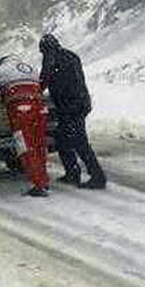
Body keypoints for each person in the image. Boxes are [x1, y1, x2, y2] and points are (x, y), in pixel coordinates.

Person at [38, 34, 106, 189]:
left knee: (78, 142)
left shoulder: (51, 58)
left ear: (45, 49)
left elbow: (43, 81)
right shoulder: (71, 56)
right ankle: (73, 173)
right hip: (80, 103)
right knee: (63, 139)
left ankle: (97, 176)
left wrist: (35, 91)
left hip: (69, 107)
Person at [0, 54, 50, 197]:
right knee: (39, 145)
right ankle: (44, 179)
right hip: (40, 108)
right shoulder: (30, 67)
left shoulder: (1, 69)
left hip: (22, 110)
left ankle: (38, 184)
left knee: (25, 147)